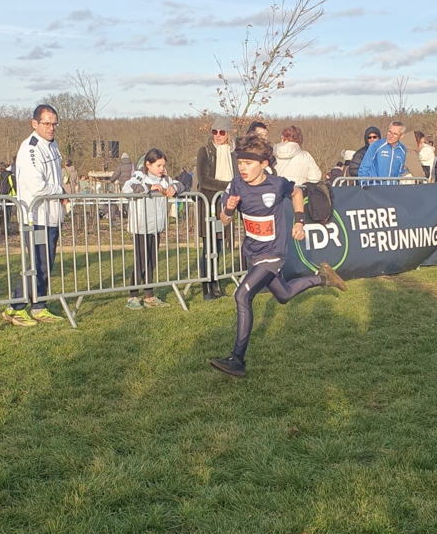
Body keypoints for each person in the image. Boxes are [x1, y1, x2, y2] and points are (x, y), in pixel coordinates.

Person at [209, 135, 346, 378]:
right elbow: (224, 220)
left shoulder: (276, 184)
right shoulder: (236, 185)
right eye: (240, 163)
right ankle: (323, 278)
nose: (242, 168)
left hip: (273, 253)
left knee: (242, 295)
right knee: (284, 295)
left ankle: (237, 360)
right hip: (253, 252)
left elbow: (295, 193)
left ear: (263, 164)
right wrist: (229, 208)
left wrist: (299, 222)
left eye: (248, 163)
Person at [2, 105, 65, 327]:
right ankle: (15, 307)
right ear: (35, 123)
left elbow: (55, 180)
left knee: (46, 264)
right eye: (47, 123)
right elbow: (37, 186)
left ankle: (39, 305)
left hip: (52, 215)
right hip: (35, 216)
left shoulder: (54, 145)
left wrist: (62, 195)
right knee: (36, 264)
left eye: (54, 123)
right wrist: (60, 192)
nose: (51, 127)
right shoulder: (30, 148)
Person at [122, 148, 183, 308]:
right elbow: (127, 189)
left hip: (156, 227)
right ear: (148, 164)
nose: (162, 168)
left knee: (151, 262)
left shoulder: (165, 179)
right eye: (158, 165)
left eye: (163, 165)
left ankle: (149, 296)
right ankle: (132, 297)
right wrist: (149, 188)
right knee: (141, 262)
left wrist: (174, 188)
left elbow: (182, 184)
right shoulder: (139, 176)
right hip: (141, 226)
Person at [195, 117, 236, 300]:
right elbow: (203, 180)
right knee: (208, 248)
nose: (218, 136)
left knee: (218, 247)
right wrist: (227, 185)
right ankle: (207, 287)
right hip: (207, 205)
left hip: (224, 205)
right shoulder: (204, 151)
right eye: (214, 132)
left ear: (228, 134)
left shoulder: (233, 153)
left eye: (222, 132)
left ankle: (216, 284)